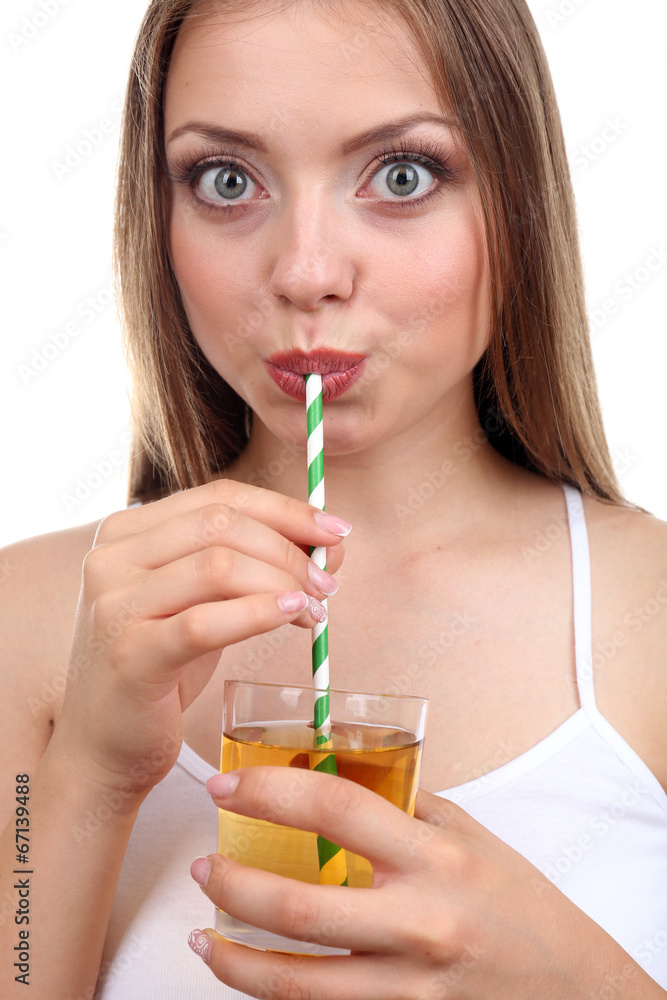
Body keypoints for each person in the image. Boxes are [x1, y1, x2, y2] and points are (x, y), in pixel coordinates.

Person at [1, 0, 666, 997]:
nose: (306, 272)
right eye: (226, 180)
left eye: (402, 174)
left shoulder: (648, 616)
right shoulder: (28, 616)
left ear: (517, 197)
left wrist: (577, 981)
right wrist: (90, 777)